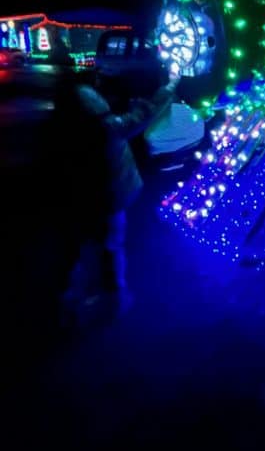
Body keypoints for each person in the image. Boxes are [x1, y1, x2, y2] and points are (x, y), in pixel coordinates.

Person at [51, 66, 179, 320]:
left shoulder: (65, 125)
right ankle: (113, 301)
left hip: (78, 198)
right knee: (109, 246)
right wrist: (169, 87)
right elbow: (143, 115)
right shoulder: (104, 128)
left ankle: (71, 300)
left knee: (79, 248)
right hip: (107, 197)